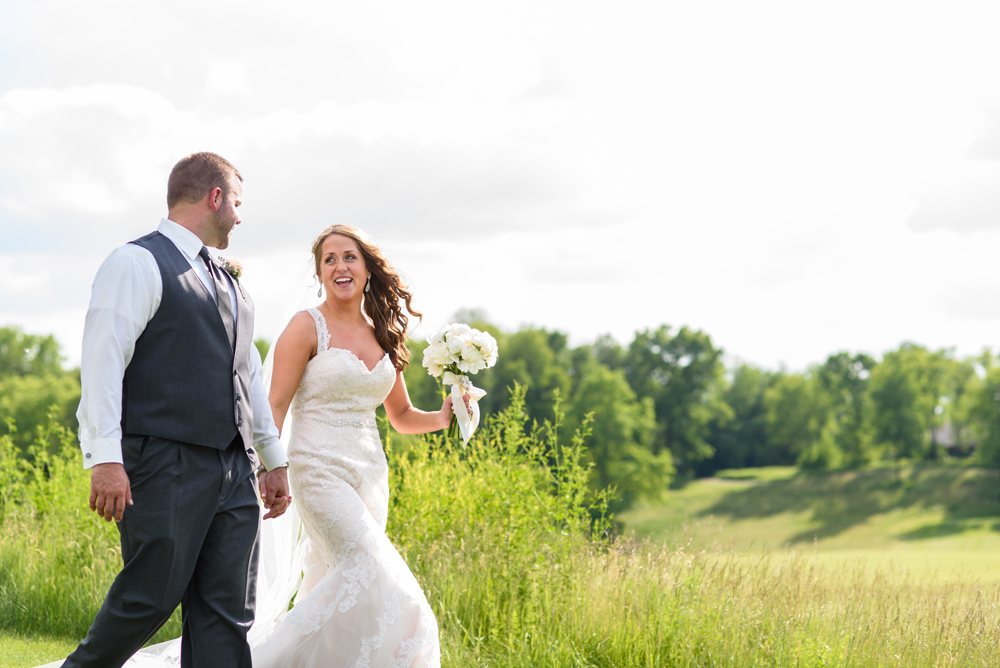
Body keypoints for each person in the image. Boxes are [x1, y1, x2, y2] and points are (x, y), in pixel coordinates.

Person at [59, 152, 292, 668]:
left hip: (235, 469)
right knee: (149, 597)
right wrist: (104, 457)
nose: (239, 216)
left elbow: (246, 372)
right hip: (164, 461)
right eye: (237, 202)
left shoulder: (229, 280)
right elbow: (102, 361)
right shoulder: (136, 262)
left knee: (228, 613)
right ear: (215, 198)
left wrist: (272, 459)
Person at [249, 224, 463, 668]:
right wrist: (272, 468)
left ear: (367, 268)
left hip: (368, 476)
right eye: (329, 259)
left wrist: (445, 415)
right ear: (320, 273)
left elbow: (402, 417)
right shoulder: (306, 326)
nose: (339, 266)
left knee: (343, 587)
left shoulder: (385, 331)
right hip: (317, 470)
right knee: (388, 587)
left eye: (349, 256)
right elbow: (274, 406)